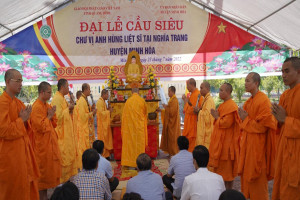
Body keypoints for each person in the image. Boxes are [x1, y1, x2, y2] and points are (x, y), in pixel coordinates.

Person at [0, 69, 39, 200]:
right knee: (13, 190)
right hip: (10, 156)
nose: (21, 84)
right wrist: (21, 120)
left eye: (22, 81)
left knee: (25, 187)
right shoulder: (2, 103)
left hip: (22, 153)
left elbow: (27, 128)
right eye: (18, 81)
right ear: (7, 82)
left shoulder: (18, 103)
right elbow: (3, 131)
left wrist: (27, 121)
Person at [238, 72, 276, 200]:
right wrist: (244, 120)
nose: (245, 83)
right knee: (247, 181)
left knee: (259, 183)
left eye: (248, 81)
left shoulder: (263, 100)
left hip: (258, 148)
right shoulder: (248, 102)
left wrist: (246, 119)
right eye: (245, 81)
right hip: (248, 147)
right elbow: (243, 124)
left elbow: (263, 126)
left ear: (256, 83)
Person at [271, 57, 300, 200]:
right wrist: (278, 119)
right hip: (284, 152)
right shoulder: (284, 95)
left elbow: (285, 121)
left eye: (287, 71)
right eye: (282, 71)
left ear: (298, 71)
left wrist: (285, 120)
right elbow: (279, 125)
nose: (283, 75)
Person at [31, 81, 62, 200]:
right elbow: (41, 127)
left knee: (50, 177)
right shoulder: (36, 107)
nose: (50, 95)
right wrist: (49, 116)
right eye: (49, 92)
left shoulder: (46, 105)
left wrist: (52, 115)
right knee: (42, 180)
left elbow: (54, 123)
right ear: (42, 92)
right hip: (42, 148)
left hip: (50, 146)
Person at [208, 83, 240, 189]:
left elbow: (226, 123)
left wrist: (217, 117)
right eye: (219, 90)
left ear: (228, 92)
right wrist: (216, 116)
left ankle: (228, 194)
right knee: (221, 174)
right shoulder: (223, 105)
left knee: (228, 175)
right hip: (220, 144)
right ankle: (222, 193)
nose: (219, 92)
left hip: (227, 146)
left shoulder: (231, 106)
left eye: (222, 90)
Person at [51, 79, 78, 182]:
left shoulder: (62, 98)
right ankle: (62, 185)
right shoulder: (57, 99)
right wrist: (68, 109)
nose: (68, 88)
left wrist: (69, 109)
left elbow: (66, 113)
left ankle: (67, 182)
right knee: (64, 159)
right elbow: (57, 118)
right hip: (61, 135)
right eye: (67, 86)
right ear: (62, 87)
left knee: (69, 158)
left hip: (67, 134)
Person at [121, 87, 148, 167]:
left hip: (130, 129)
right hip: (139, 128)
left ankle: (129, 163)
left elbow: (124, 116)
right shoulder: (142, 100)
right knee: (139, 146)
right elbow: (145, 113)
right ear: (138, 92)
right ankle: (141, 164)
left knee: (130, 146)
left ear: (131, 92)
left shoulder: (128, 101)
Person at [76, 83, 97, 164]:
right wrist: (92, 113)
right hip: (84, 128)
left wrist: (92, 111)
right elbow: (82, 116)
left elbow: (87, 113)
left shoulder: (85, 100)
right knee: (84, 148)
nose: (90, 91)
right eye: (89, 89)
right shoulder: (81, 101)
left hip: (88, 127)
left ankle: (89, 162)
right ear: (85, 90)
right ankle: (85, 164)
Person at [158, 86, 181, 156]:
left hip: (173, 124)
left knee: (172, 139)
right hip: (170, 123)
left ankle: (174, 153)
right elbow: (168, 111)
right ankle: (170, 152)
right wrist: (161, 110)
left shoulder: (175, 100)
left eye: (169, 91)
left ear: (173, 92)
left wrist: (166, 107)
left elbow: (172, 112)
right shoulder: (171, 99)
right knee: (169, 139)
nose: (168, 93)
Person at [182, 78, 202, 152]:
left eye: (187, 85)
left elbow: (191, 110)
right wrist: (186, 101)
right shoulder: (192, 94)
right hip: (188, 123)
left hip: (193, 124)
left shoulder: (197, 94)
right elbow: (187, 108)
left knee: (191, 144)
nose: (187, 87)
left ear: (192, 85)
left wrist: (185, 101)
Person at [195, 81, 215, 148]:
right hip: (204, 130)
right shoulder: (205, 99)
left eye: (201, 88)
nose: (200, 90)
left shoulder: (209, 100)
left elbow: (207, 116)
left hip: (207, 132)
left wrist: (198, 111)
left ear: (207, 89)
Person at [96, 89, 113, 158]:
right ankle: (103, 155)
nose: (108, 96)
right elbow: (101, 114)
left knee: (106, 140)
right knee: (103, 140)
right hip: (102, 125)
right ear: (104, 94)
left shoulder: (103, 102)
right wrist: (109, 111)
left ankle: (107, 154)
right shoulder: (99, 102)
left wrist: (108, 110)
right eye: (107, 94)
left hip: (104, 124)